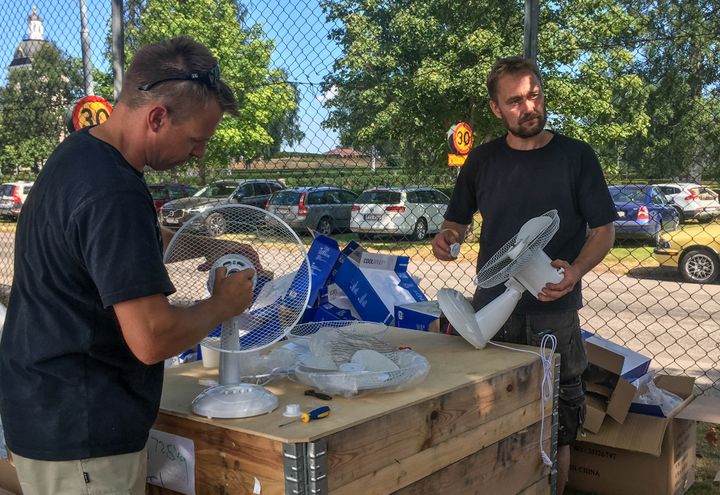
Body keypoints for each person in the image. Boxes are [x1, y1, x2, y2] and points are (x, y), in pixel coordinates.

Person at [0, 36, 255, 495]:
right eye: (197, 140)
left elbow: (123, 246)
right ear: (157, 117)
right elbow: (151, 338)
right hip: (84, 435)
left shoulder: (81, 155)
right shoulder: (113, 190)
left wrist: (206, 246)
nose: (199, 154)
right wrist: (223, 304)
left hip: (46, 409)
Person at [432, 56, 617, 494]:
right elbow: (456, 221)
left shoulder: (577, 156)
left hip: (554, 315)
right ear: (497, 109)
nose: (528, 106)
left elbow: (604, 230)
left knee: (558, 423)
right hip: (489, 311)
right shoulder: (480, 161)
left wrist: (574, 271)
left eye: (534, 95)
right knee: (487, 413)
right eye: (515, 101)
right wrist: (447, 237)